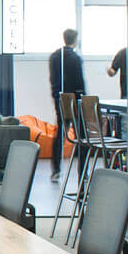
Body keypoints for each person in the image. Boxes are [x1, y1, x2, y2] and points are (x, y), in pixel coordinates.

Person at [47, 28, 85, 181]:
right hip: (75, 100)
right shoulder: (75, 58)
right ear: (75, 40)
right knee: (82, 136)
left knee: (60, 134)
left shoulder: (54, 57)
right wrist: (82, 100)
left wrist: (56, 97)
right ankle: (83, 171)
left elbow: (53, 79)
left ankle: (55, 170)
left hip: (61, 99)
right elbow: (79, 82)